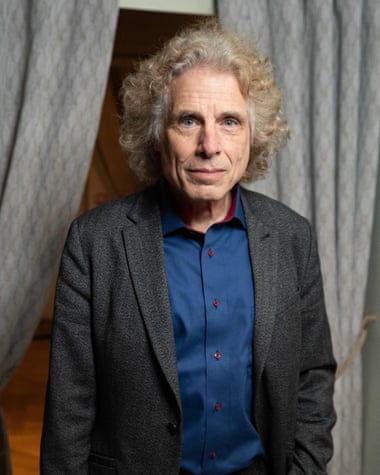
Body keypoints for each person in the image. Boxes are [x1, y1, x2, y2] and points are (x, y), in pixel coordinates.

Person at [40, 19, 336, 475]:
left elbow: (312, 376)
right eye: (189, 120)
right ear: (158, 133)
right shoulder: (95, 242)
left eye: (229, 121)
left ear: (252, 136)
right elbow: (69, 405)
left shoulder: (292, 236)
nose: (209, 145)